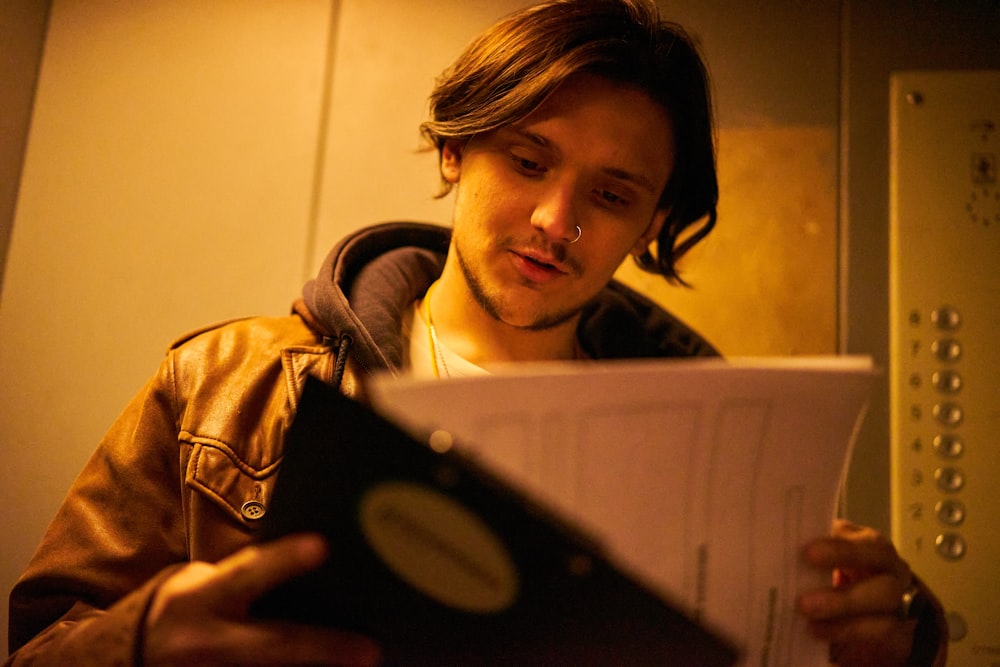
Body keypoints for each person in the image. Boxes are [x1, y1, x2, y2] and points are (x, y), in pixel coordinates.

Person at [6, 0, 947, 665]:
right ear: (455, 149)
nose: (554, 219)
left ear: (650, 223)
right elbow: (38, 645)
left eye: (612, 195)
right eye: (527, 159)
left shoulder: (720, 452)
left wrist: (903, 635)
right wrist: (137, 644)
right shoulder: (224, 380)